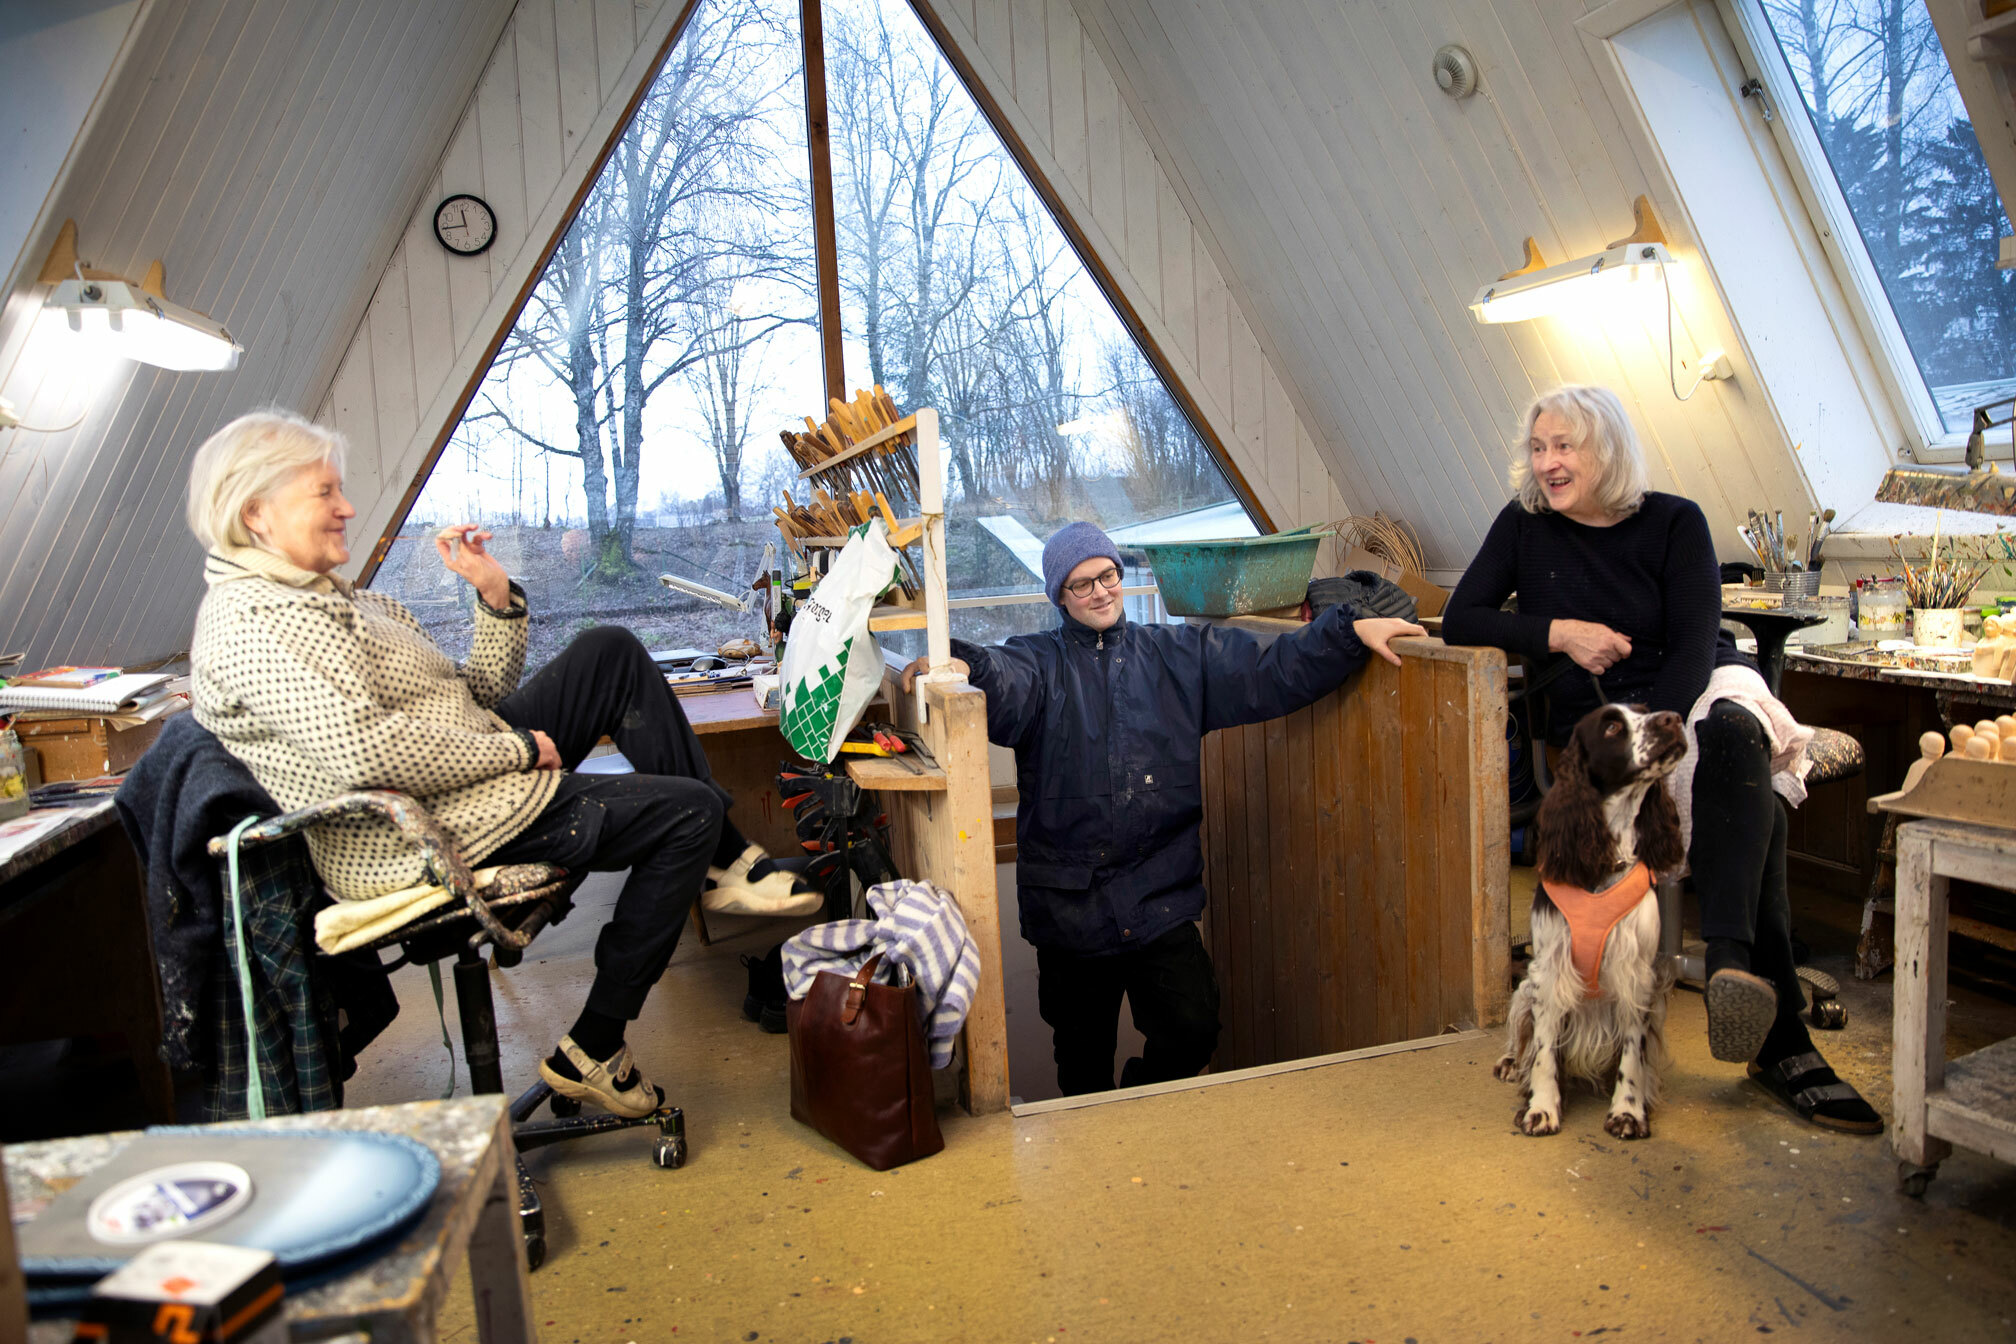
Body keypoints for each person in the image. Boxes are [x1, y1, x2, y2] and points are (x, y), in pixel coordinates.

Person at [186, 409, 815, 1119]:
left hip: (454, 774)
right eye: (325, 493)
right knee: (687, 814)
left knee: (608, 650)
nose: (348, 507)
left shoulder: (349, 601)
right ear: (255, 513)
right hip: (419, 831)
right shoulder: (253, 622)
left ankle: (725, 866)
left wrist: (493, 595)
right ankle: (596, 1044)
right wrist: (514, 750)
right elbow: (365, 750)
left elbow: (474, 694)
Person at [1441, 385, 1881, 1134]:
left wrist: (1660, 732)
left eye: (1564, 446)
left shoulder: (1675, 521)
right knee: (1760, 804)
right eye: (1538, 448)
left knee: (1740, 741)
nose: (1547, 463)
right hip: (1602, 723)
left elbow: (1692, 642)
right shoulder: (1525, 526)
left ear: (1606, 450)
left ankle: (1731, 963)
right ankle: (1782, 1042)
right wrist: (1563, 634)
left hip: (1693, 692)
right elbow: (1460, 618)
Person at [906, 521, 1424, 1095]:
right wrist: (960, 662)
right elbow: (1002, 681)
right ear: (1060, 597)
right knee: (1081, 1066)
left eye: (1107, 576)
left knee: (1194, 1031)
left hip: (1159, 899)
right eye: (1081, 585)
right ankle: (1098, 1162)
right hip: (1071, 913)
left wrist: (1350, 631)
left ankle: (1134, 1108)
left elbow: (1270, 668)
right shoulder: (1039, 664)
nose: (1100, 592)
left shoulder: (1178, 655)